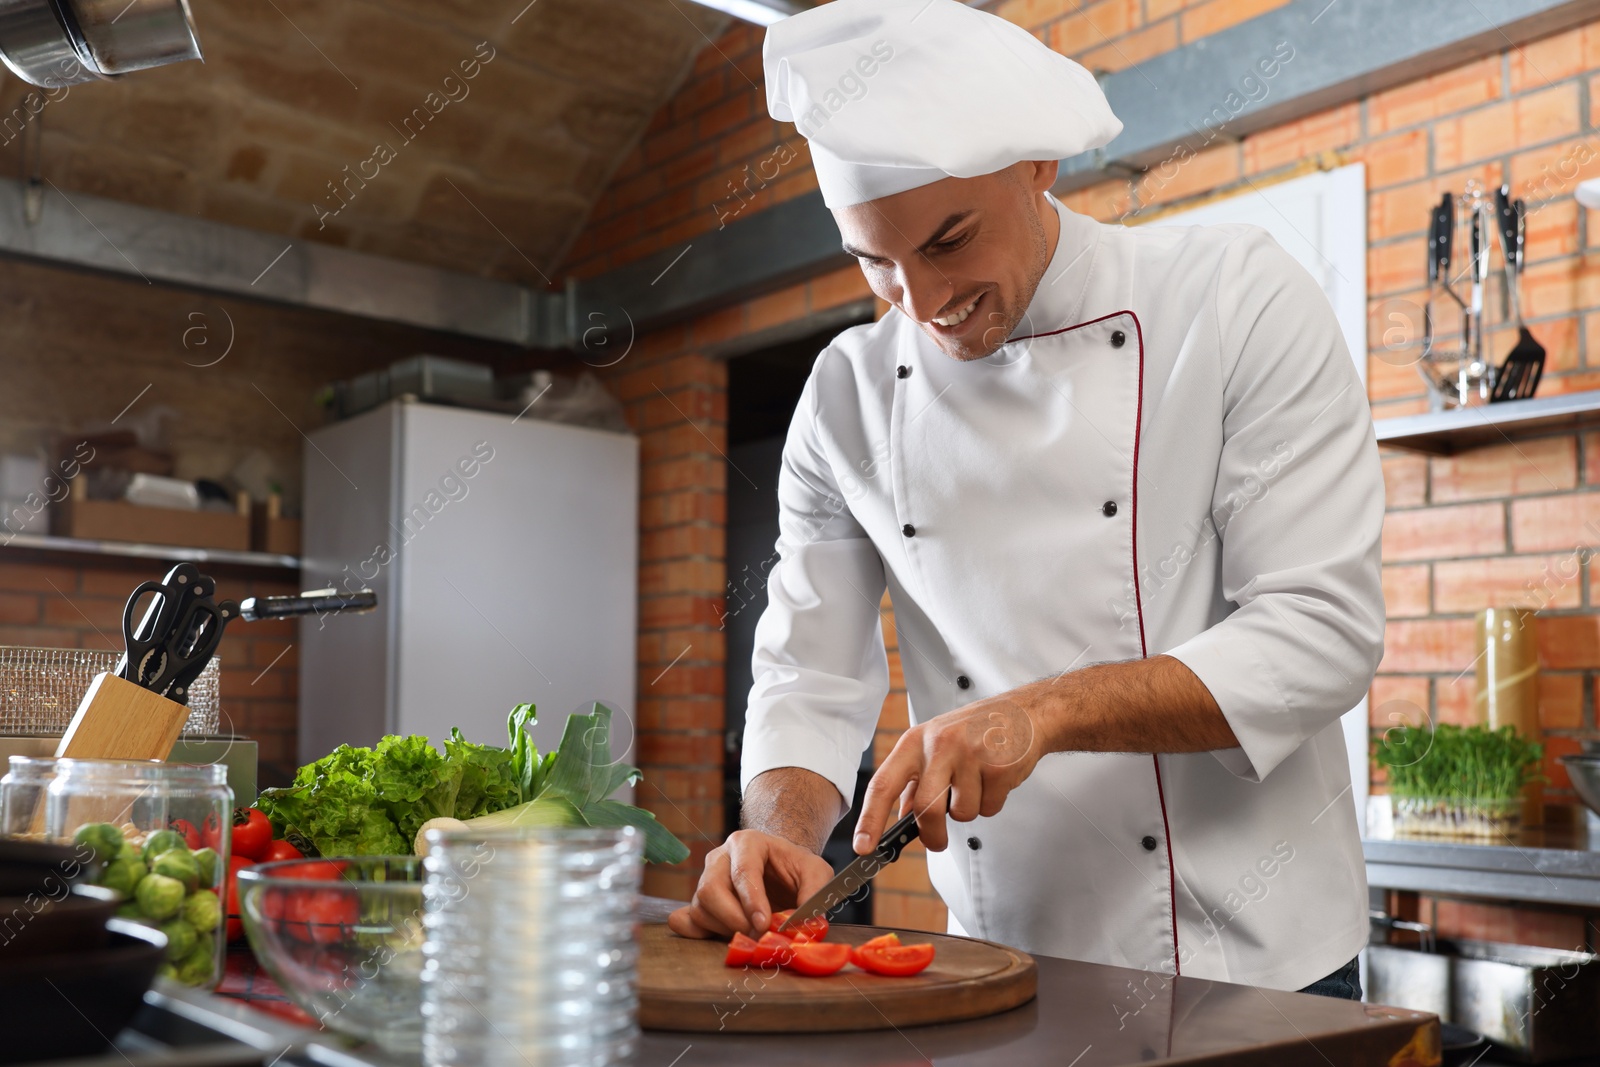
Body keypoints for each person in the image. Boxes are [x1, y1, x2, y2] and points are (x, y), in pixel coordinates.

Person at [668, 0, 1382, 1000]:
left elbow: (1320, 634)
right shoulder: (846, 394)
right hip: (1008, 969)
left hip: (1254, 974)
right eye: (874, 261)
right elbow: (809, 677)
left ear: (1036, 162)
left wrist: (1041, 711)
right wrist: (776, 835)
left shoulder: (1232, 300)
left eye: (948, 240)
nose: (919, 302)